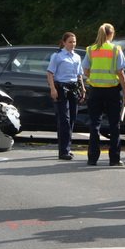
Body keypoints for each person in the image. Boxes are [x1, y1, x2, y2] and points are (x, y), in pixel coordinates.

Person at [83, 23, 125, 167]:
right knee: (114, 125)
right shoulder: (115, 49)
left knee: (94, 125)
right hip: (112, 91)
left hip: (95, 90)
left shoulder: (91, 49)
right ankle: (114, 158)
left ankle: (92, 158)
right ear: (112, 33)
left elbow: (85, 70)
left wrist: (94, 78)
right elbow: (121, 72)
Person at [46, 32, 85, 161]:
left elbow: (79, 75)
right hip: (61, 87)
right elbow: (50, 73)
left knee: (72, 118)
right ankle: (63, 151)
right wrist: (53, 89)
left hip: (73, 87)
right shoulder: (57, 56)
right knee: (64, 120)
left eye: (74, 42)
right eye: (70, 42)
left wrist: (82, 88)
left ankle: (67, 147)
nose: (72, 44)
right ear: (63, 42)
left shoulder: (77, 57)